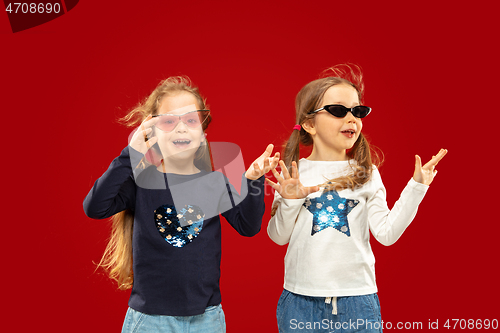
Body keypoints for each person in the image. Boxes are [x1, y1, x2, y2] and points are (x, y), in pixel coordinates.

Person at [83, 76, 279, 333]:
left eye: (190, 120)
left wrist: (252, 180)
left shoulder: (214, 182)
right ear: (151, 132)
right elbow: (94, 207)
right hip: (150, 319)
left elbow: (248, 226)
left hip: (206, 319)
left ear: (203, 132)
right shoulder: (141, 182)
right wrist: (130, 154)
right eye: (168, 121)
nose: (181, 128)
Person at [266, 64, 447, 332]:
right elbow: (278, 236)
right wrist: (291, 200)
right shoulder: (294, 173)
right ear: (308, 124)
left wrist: (416, 187)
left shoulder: (367, 174)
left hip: (358, 301)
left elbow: (386, 234)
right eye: (338, 111)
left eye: (358, 111)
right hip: (299, 300)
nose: (352, 118)